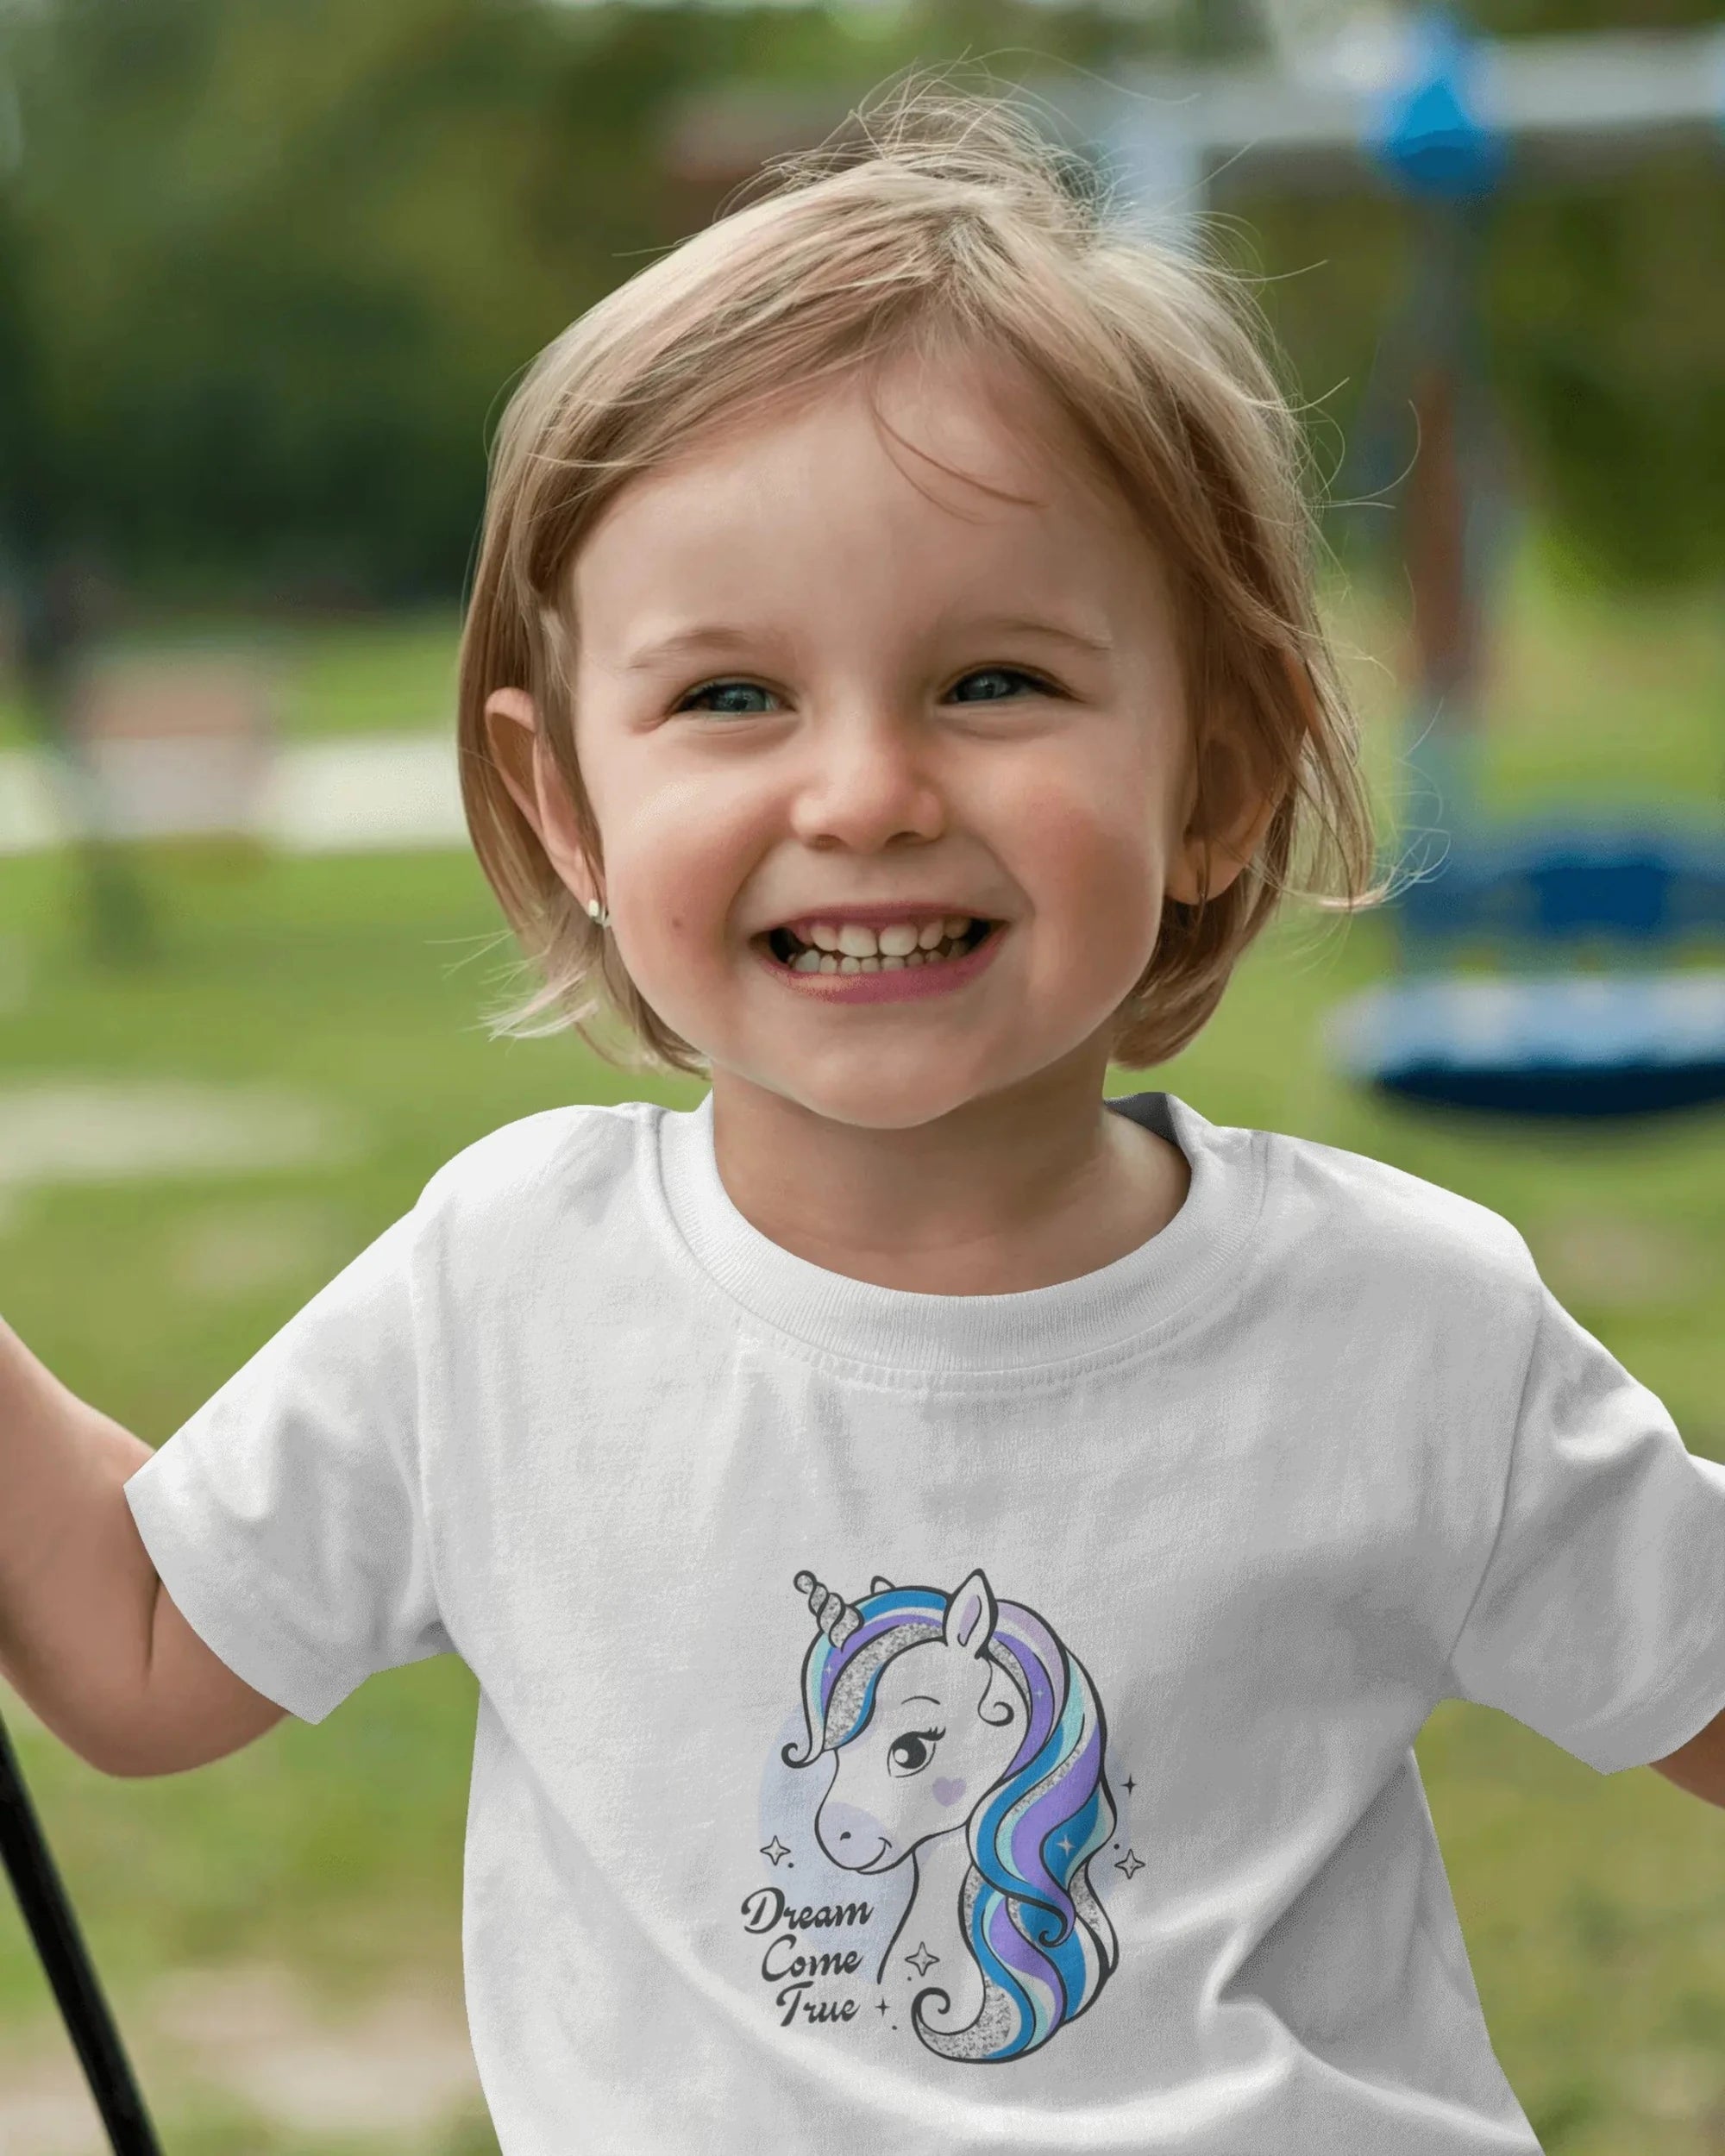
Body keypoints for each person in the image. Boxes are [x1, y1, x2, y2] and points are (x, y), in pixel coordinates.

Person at [3, 85, 1723, 2156]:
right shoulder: (503, 1291)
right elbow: (142, 1644)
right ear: (567, 802)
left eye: (993, 679)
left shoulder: (1408, 1323)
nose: (864, 792)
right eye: (730, 697)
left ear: (1220, 776)